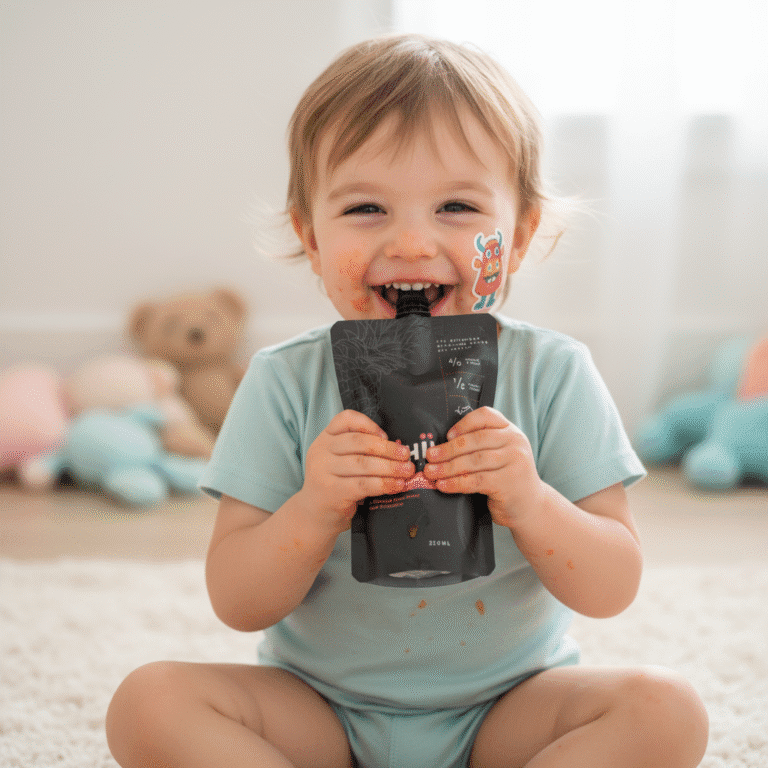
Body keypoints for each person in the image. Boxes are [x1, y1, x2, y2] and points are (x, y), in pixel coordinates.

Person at [106, 34, 709, 768]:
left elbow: (613, 584)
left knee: (666, 710)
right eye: (365, 208)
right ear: (312, 237)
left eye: (456, 205)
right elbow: (237, 600)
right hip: (320, 710)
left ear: (515, 239)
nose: (415, 242)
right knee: (148, 702)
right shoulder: (283, 380)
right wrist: (315, 505)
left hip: (508, 712)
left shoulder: (554, 372)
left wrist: (530, 499)